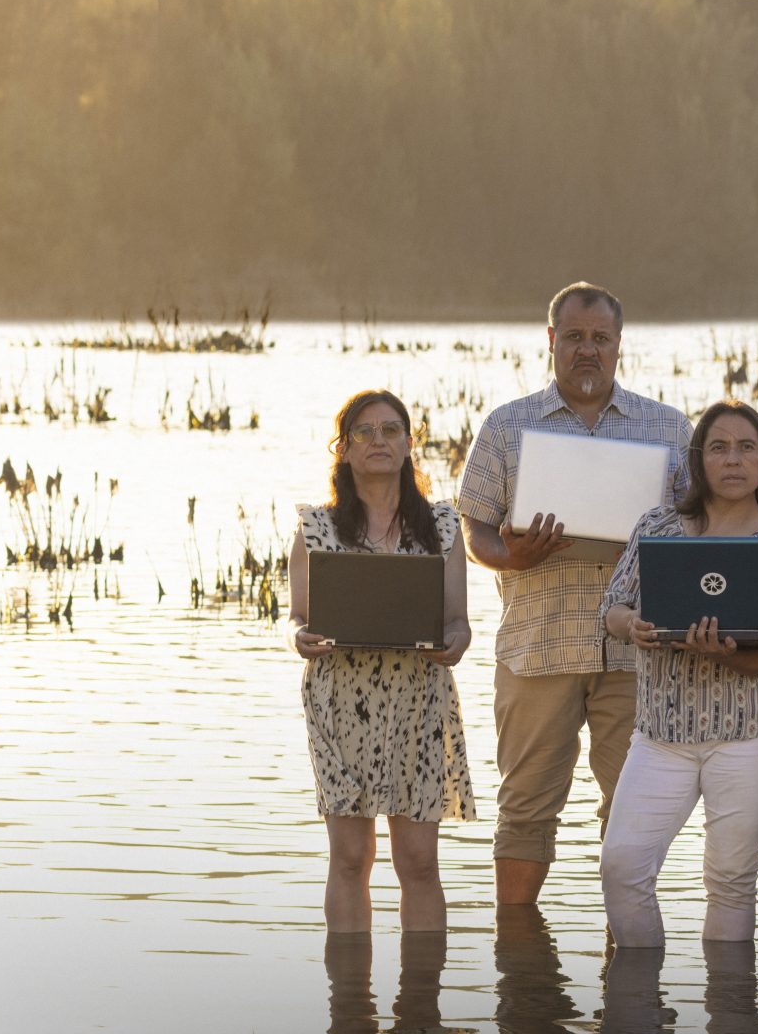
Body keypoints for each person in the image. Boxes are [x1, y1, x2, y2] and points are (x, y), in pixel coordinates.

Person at [456, 282, 690, 909]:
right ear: (552, 341)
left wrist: (656, 555)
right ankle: (521, 967)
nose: (588, 349)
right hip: (538, 646)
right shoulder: (507, 426)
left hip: (637, 655)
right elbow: (473, 523)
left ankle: (626, 963)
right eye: (576, 337)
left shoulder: (667, 426)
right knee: (526, 809)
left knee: (633, 812)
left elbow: (702, 524)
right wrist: (510, 554)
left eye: (601, 338)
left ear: (619, 345)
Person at [596, 400, 758, 947]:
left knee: (730, 882)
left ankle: (731, 1021)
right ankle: (639, 1013)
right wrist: (633, 626)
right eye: (718, 447)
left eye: (746, 448)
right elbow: (612, 608)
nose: (732, 460)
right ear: (698, 461)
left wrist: (723, 654)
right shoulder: (658, 526)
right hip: (660, 735)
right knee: (621, 867)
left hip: (750, 737)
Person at [288, 388, 475, 934]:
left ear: (409, 444)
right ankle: (349, 1008)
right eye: (364, 432)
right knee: (350, 858)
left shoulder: (443, 525)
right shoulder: (315, 529)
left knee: (417, 863)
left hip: (418, 698)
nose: (378, 441)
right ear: (342, 449)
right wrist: (299, 638)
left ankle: (420, 1011)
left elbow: (458, 622)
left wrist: (457, 643)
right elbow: (296, 617)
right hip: (338, 699)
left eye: (392, 430)